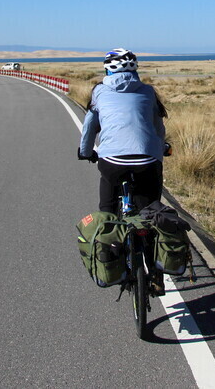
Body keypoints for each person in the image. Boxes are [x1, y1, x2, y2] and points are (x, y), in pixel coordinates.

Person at [78, 48, 168, 294]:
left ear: (107, 69)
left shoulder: (99, 92)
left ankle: (111, 256)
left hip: (113, 162)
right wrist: (161, 148)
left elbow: (89, 127)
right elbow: (157, 127)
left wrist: (85, 151)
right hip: (147, 160)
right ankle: (157, 274)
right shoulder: (149, 92)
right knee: (150, 212)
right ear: (135, 69)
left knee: (107, 210)